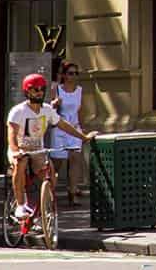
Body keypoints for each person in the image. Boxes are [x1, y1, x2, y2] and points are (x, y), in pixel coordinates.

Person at [7, 72, 92, 233]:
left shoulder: (47, 110)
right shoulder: (18, 111)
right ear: (27, 92)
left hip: (38, 149)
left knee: (50, 175)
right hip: (19, 148)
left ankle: (41, 215)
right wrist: (15, 150)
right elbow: (11, 133)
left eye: (41, 89)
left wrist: (83, 137)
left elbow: (63, 125)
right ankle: (20, 205)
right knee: (21, 163)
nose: (39, 92)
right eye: (34, 90)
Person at [50, 60, 87, 204]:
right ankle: (50, 192)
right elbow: (50, 111)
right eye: (71, 73)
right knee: (57, 163)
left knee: (75, 159)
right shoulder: (57, 89)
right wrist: (54, 104)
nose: (74, 76)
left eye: (76, 73)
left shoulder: (79, 90)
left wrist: (82, 127)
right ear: (64, 75)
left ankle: (73, 192)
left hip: (74, 128)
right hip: (60, 128)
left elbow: (81, 110)